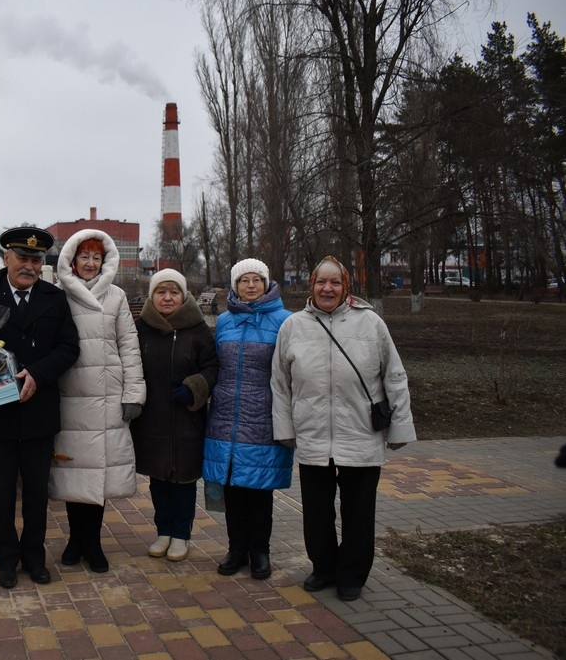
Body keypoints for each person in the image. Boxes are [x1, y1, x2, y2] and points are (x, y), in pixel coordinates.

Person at [271, 255, 416, 601]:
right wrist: (285, 430)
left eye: (335, 282)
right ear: (311, 285)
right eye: (321, 282)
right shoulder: (293, 326)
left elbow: (394, 376)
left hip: (361, 435)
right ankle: (323, 568)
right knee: (317, 512)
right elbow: (280, 383)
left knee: (358, 512)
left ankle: (352, 574)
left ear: (346, 287)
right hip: (313, 436)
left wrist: (400, 428)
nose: (327, 288)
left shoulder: (371, 324)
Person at [0, 226, 80, 589]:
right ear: (6, 258)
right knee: (0, 494)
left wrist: (38, 374)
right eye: (22, 258)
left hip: (38, 411)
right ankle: (6, 560)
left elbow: (68, 347)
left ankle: (34, 557)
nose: (29, 266)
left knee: (35, 493)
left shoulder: (54, 298)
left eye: (36, 260)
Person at [49, 229, 146, 574]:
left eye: (96, 257)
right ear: (71, 260)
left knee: (99, 473)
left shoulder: (116, 297)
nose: (90, 263)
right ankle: (76, 540)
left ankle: (93, 543)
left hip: (106, 396)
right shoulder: (58, 295)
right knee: (76, 472)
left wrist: (134, 393)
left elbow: (129, 347)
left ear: (105, 262)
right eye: (84, 257)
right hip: (69, 396)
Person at [203, 258, 293, 580]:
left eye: (257, 279)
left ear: (267, 284)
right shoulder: (225, 321)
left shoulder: (286, 321)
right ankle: (236, 548)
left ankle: (260, 552)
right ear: (235, 286)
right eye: (244, 280)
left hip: (263, 418)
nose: (251, 285)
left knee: (259, 490)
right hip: (225, 416)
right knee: (231, 488)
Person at [130, 269, 218, 562]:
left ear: (183, 296)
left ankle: (181, 534)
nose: (167, 298)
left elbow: (212, 368)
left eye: (174, 292)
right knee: (158, 479)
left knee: (183, 481)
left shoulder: (197, 329)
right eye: (161, 292)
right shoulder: (140, 329)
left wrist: (194, 388)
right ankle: (163, 531)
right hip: (152, 418)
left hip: (186, 418)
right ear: (152, 296)